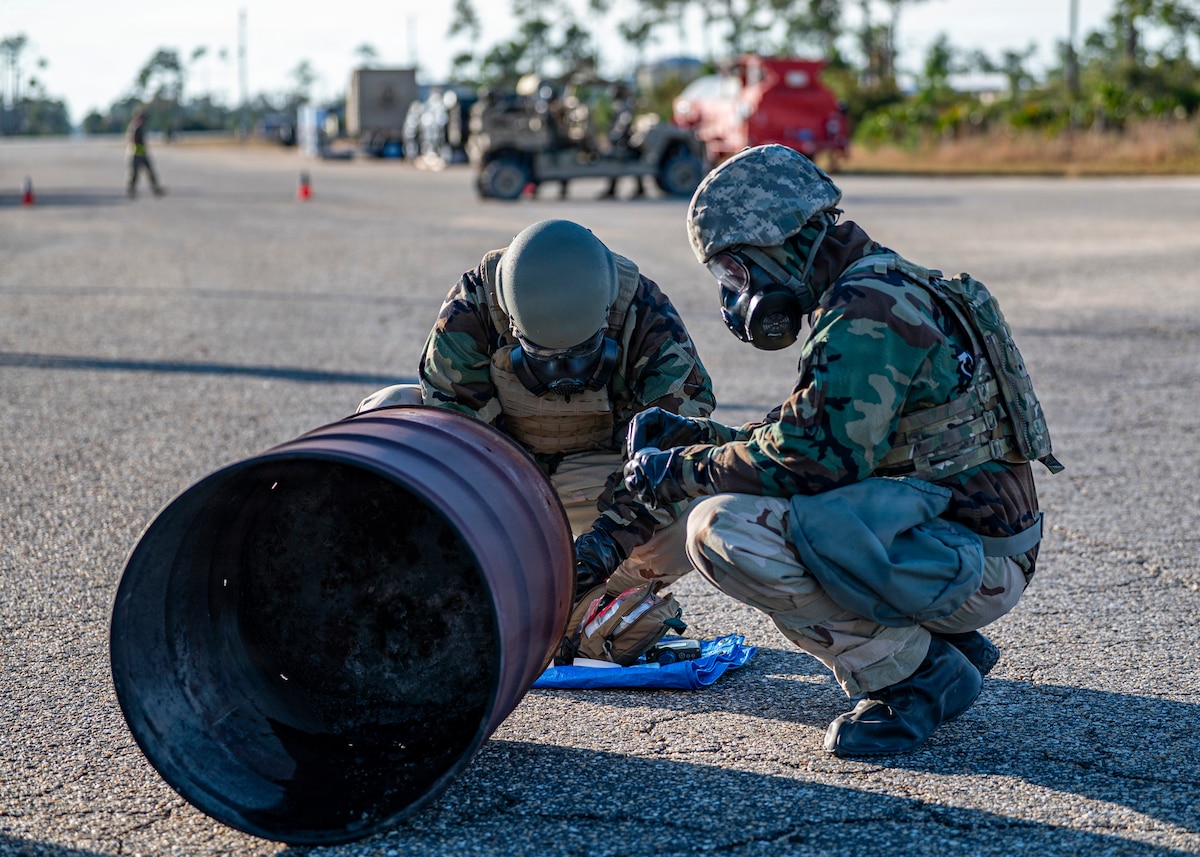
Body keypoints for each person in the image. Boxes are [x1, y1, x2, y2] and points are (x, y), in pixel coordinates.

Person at [623, 144, 1063, 757]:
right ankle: (939, 640)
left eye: (734, 273)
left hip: (968, 566)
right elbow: (812, 433)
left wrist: (684, 471)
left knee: (720, 530)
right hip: (971, 543)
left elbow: (812, 460)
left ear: (774, 241)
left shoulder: (865, 311)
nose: (735, 294)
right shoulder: (885, 284)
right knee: (773, 498)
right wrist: (704, 440)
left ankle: (915, 673)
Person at [357, 218, 716, 607]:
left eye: (580, 355)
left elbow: (677, 444)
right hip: (502, 467)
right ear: (511, 321)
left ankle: (595, 601)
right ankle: (414, 584)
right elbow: (457, 442)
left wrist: (605, 547)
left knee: (697, 506)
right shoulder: (471, 309)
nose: (563, 373)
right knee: (388, 414)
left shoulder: (644, 314)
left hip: (597, 472)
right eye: (543, 356)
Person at [126, 109, 164, 198]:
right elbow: (133, 140)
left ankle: (156, 189)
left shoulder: (140, 127)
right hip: (136, 153)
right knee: (134, 173)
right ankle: (131, 190)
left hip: (142, 153)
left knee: (150, 172)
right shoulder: (136, 127)